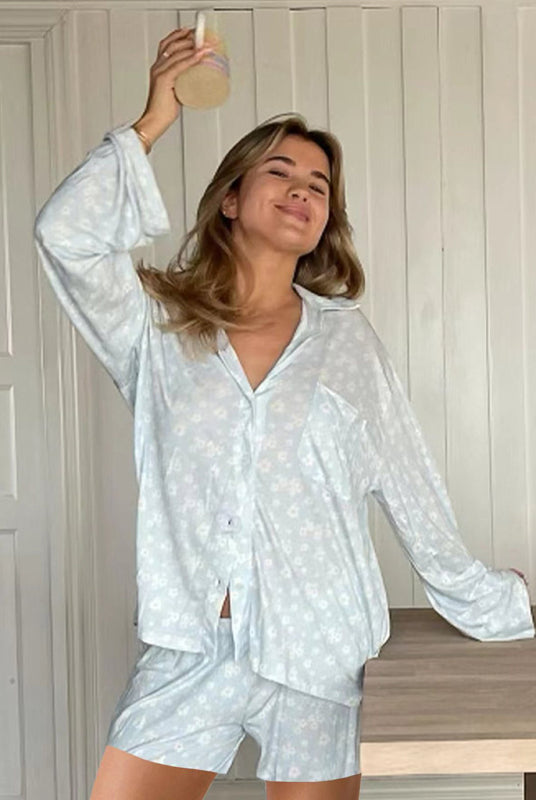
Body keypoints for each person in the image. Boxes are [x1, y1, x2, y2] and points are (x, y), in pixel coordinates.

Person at [33, 26, 533, 800]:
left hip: (319, 648)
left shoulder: (346, 342)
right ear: (231, 199)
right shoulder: (155, 328)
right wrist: (156, 117)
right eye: (280, 171)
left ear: (326, 219)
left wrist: (492, 600)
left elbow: (408, 484)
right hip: (192, 644)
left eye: (320, 185)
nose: (303, 189)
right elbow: (64, 237)